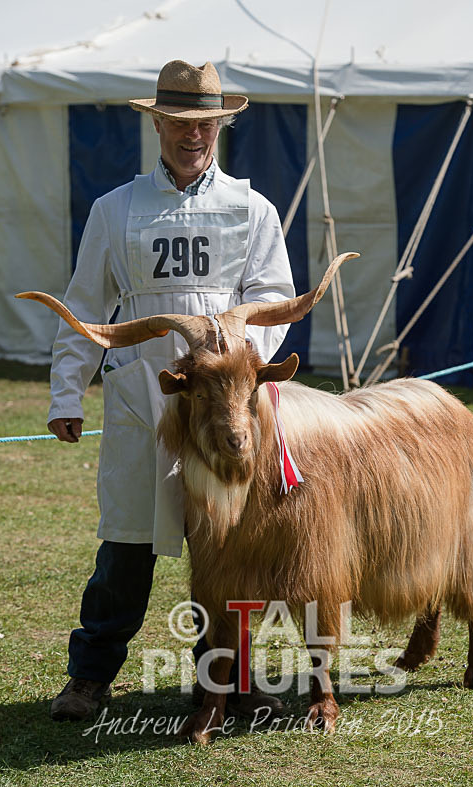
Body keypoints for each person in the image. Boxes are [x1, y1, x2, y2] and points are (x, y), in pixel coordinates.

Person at [48, 60, 295, 721]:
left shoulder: (249, 208)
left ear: (222, 123)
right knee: (126, 545)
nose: (194, 135)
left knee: (228, 549)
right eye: (181, 123)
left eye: (206, 123)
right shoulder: (117, 208)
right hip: (140, 399)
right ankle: (90, 676)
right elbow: (86, 306)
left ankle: (232, 681)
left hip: (223, 414)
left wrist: (241, 363)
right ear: (156, 121)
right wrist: (66, 393)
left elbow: (272, 297)